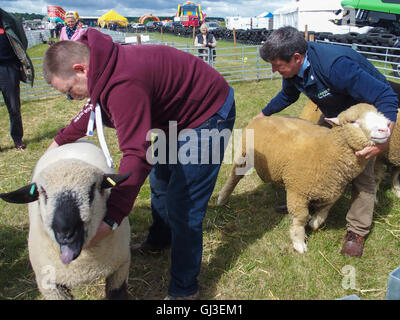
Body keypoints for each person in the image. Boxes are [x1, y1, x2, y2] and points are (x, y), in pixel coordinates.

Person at [42, 28, 235, 299]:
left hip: (207, 114)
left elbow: (136, 154)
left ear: (80, 69)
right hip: (177, 119)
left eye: (70, 90)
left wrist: (111, 218)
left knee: (185, 208)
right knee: (160, 181)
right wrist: (54, 149)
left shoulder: (122, 83)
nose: (72, 97)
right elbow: (91, 111)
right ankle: (160, 238)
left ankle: (184, 291)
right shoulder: (103, 69)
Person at [256, 26, 398, 258]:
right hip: (334, 112)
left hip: (362, 117)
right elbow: (289, 95)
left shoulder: (337, 67)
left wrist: (383, 139)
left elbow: (385, 95)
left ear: (296, 58)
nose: (273, 70)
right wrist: (264, 114)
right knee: (313, 156)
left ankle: (357, 230)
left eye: (277, 65)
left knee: (361, 174)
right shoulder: (294, 71)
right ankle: (306, 202)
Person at [0, 9, 34, 150]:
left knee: (14, 107)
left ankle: (17, 139)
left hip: (8, 68)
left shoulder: (8, 20)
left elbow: (21, 41)